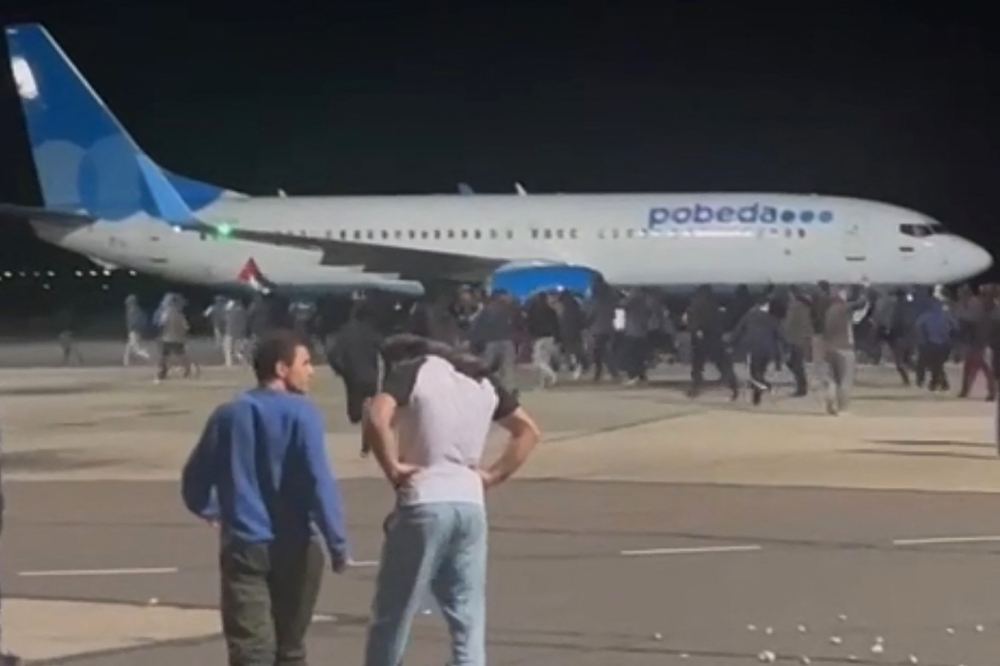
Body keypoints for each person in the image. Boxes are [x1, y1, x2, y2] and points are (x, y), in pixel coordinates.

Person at [361, 334, 541, 666]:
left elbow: (377, 416)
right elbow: (528, 431)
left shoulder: (413, 371)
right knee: (467, 612)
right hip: (470, 500)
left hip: (425, 497)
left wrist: (393, 468)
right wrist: (493, 475)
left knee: (395, 609)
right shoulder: (481, 379)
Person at [181, 330, 350, 666]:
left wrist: (209, 507)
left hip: (245, 543)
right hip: (297, 544)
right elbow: (319, 480)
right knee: (290, 647)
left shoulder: (228, 414)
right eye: (305, 363)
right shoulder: (303, 414)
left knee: (251, 648)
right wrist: (337, 541)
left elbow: (194, 478)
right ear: (281, 368)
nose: (312, 371)